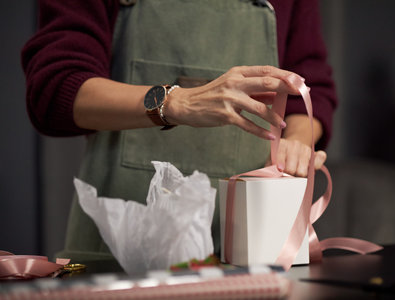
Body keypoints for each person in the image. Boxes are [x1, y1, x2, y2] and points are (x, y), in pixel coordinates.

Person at [22, 0, 337, 266]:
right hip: (123, 254)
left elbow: (311, 86)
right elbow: (55, 87)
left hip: (251, 255)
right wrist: (175, 101)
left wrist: (296, 139)